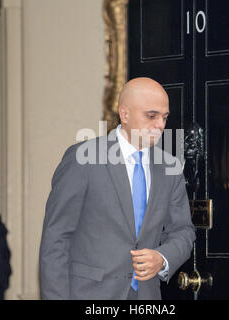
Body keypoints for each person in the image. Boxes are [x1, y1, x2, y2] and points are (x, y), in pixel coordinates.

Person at [39, 77, 195, 300]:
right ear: (125, 114)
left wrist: (162, 258)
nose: (160, 125)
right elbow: (56, 238)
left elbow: (183, 231)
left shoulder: (170, 167)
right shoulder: (83, 159)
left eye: (164, 117)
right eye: (151, 116)